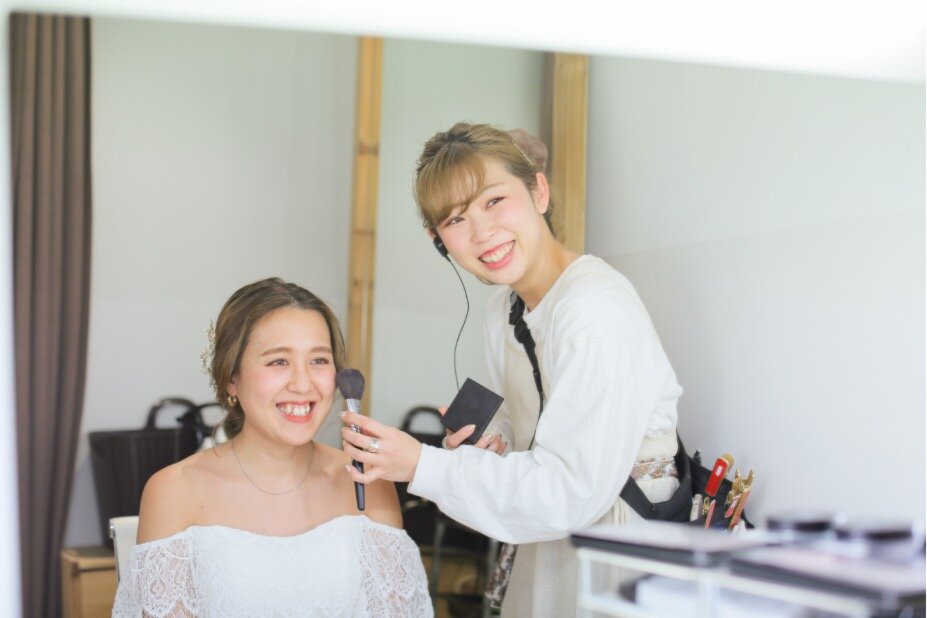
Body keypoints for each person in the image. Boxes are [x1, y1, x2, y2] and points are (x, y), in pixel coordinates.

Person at [340, 123, 683, 617]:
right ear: (439, 240)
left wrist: (421, 464)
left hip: (617, 548)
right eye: (456, 220)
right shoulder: (503, 309)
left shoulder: (593, 310)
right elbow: (533, 417)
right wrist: (495, 436)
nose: (483, 233)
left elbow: (570, 490)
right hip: (550, 541)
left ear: (539, 191)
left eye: (495, 201)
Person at [113, 278, 431, 617]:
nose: (303, 383)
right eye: (278, 361)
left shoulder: (368, 481)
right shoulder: (175, 490)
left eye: (319, 360)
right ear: (230, 378)